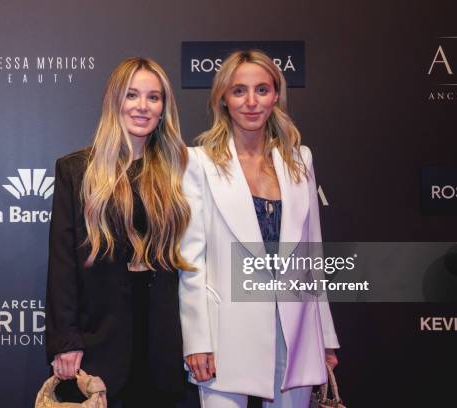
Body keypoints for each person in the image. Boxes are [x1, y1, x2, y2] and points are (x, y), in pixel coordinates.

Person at [179, 50, 340, 408]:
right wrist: (197, 341)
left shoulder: (301, 160)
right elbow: (191, 262)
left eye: (262, 90)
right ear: (223, 97)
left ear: (276, 95)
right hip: (226, 332)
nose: (251, 102)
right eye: (239, 91)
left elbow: (313, 254)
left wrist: (324, 335)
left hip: (294, 329)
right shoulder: (199, 163)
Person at [45, 57, 193, 407]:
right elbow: (63, 263)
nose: (142, 106)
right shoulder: (77, 170)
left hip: (164, 341)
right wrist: (66, 340)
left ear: (163, 108)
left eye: (153, 97)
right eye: (132, 95)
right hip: (101, 340)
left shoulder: (181, 171)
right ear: (115, 102)